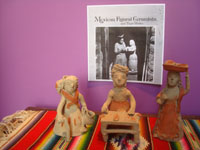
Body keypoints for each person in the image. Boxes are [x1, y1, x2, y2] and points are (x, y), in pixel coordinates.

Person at [153, 60, 190, 141]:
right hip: (165, 112)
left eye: (174, 77)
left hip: (174, 113)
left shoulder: (179, 90)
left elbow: (187, 89)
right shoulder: (165, 90)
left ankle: (172, 135)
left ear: (178, 79)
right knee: (163, 123)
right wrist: (162, 98)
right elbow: (158, 101)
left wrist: (187, 76)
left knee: (173, 125)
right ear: (167, 78)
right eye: (170, 77)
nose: (172, 79)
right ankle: (160, 133)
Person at [53, 75, 88, 141]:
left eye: (74, 84)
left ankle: (79, 129)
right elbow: (60, 106)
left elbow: (83, 102)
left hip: (76, 113)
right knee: (65, 124)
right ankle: (64, 131)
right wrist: (59, 114)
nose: (72, 86)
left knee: (79, 122)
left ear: (77, 85)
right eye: (69, 84)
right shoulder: (64, 96)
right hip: (67, 113)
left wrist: (84, 107)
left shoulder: (79, 94)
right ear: (64, 86)